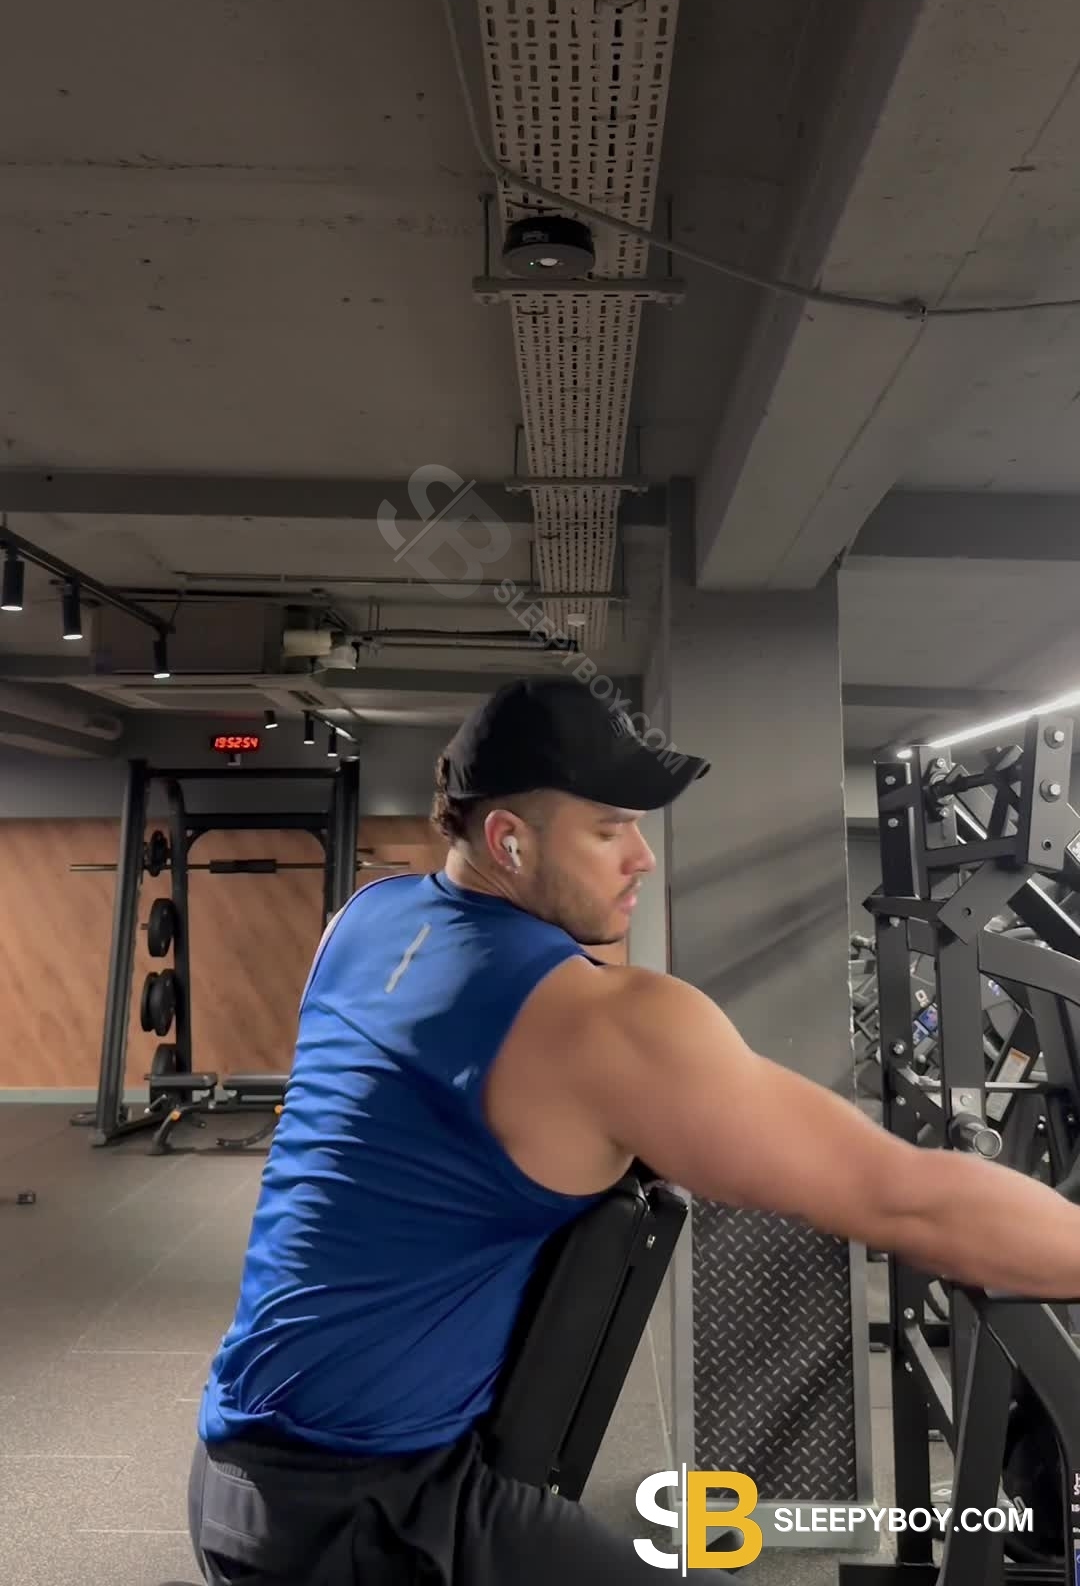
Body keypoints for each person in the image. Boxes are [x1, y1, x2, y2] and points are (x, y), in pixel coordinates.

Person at [189, 677, 1080, 1585]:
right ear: (508, 840)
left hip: (234, 1469)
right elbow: (907, 1203)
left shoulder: (365, 919)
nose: (643, 858)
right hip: (374, 1518)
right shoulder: (596, 1025)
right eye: (610, 829)